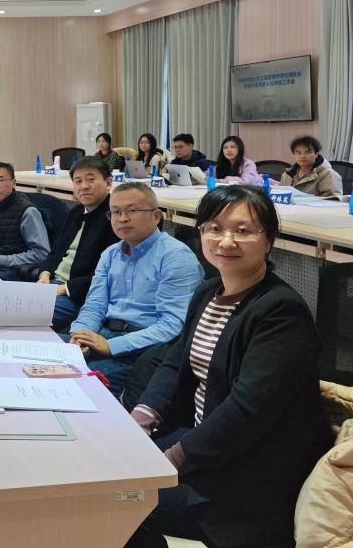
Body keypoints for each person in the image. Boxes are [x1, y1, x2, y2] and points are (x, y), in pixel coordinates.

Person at [125, 186, 332, 548]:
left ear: (269, 240)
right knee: (104, 474)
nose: (226, 241)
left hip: (250, 471)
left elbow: (247, 412)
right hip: (205, 442)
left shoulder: (281, 312)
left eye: (243, 230)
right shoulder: (208, 292)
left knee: (116, 499)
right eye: (215, 228)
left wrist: (170, 460)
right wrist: (140, 420)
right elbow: (177, 360)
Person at [67, 182, 204, 396]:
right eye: (115, 212)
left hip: (143, 350)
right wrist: (80, 334)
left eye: (132, 210)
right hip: (102, 335)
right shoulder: (110, 254)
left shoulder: (176, 257)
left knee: (75, 386)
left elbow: (172, 326)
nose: (122, 219)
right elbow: (94, 305)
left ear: (156, 216)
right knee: (38, 362)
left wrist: (112, 346)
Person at [35, 157, 119, 331]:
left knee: (26, 317)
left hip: (78, 295)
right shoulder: (75, 212)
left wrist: (65, 288)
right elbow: (56, 251)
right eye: (78, 181)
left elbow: (109, 273)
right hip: (51, 284)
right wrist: (45, 274)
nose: (84, 186)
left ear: (108, 183)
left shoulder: (115, 218)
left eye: (90, 179)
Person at [0, 163, 50, 280]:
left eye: (1, 180)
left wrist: (1, 260)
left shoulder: (28, 212)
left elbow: (42, 253)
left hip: (13, 270)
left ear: (13, 182)